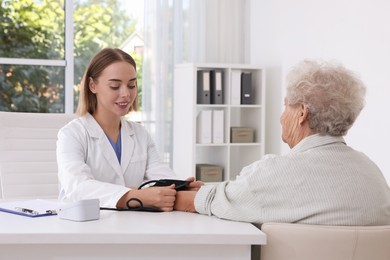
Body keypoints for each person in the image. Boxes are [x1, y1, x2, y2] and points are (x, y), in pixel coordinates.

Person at [174, 59, 390, 226]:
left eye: (286, 106)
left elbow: (207, 203)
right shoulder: (374, 175)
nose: (280, 116)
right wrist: (220, 191)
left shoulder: (274, 173)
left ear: (302, 113)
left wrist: (158, 195)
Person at [57, 48, 201, 211]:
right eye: (115, 86)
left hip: (130, 223)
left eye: (131, 85)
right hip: (83, 225)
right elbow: (78, 187)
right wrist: (134, 196)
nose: (126, 94)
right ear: (92, 85)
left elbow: (160, 175)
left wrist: (181, 187)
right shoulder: (71, 134)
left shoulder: (140, 133)